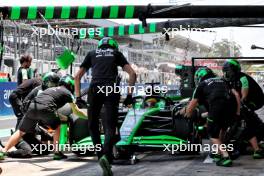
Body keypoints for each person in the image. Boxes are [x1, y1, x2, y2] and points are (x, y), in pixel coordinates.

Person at [75, 37, 136, 176]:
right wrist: (129, 96)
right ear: (113, 46)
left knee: (92, 125)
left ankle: (100, 154)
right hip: (111, 89)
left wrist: (78, 97)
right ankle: (107, 156)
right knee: (110, 126)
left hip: (94, 88)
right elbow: (133, 73)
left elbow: (77, 76)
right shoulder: (116, 54)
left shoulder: (91, 53)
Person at [0, 75, 87, 160]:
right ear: (71, 85)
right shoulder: (68, 93)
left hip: (32, 107)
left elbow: (38, 101)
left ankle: (3, 151)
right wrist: (88, 117)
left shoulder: (48, 89)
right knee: (58, 126)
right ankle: (57, 153)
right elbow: (76, 111)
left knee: (20, 131)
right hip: (46, 109)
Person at [182, 67, 240, 167]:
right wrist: (237, 112)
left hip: (218, 105)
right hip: (232, 106)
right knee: (222, 129)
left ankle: (226, 157)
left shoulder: (201, 85)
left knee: (211, 133)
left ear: (199, 77)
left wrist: (185, 113)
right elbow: (236, 94)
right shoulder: (223, 80)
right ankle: (218, 153)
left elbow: (192, 105)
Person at [7, 72, 61, 158]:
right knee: (26, 152)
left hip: (29, 136)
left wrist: (51, 135)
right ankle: (8, 152)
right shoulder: (36, 97)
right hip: (21, 136)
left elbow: (43, 126)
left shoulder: (45, 102)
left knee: (45, 150)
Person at [222, 59, 264, 159]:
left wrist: (239, 104)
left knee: (245, 118)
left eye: (228, 71)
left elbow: (244, 94)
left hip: (255, 100)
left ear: (234, 70)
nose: (226, 73)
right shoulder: (229, 80)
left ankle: (255, 147)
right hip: (243, 101)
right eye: (225, 71)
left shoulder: (242, 77)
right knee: (245, 118)